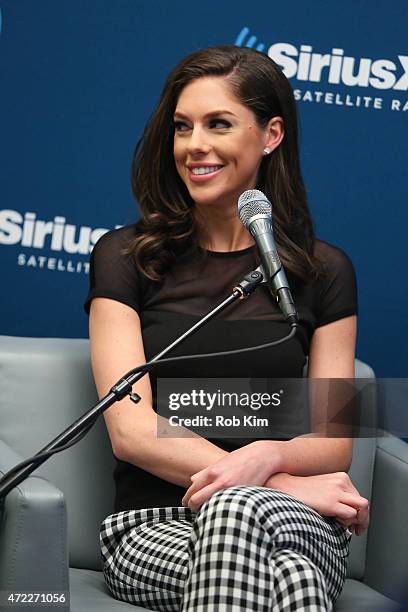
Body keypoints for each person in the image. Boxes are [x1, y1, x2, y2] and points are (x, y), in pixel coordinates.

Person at [84, 45, 369, 611]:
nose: (195, 146)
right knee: (292, 581)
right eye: (183, 127)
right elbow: (132, 431)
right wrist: (276, 480)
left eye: (219, 124)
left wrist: (265, 454)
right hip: (153, 527)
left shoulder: (323, 271)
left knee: (240, 515)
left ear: (271, 135)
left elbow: (333, 440)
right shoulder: (125, 257)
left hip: (293, 519)